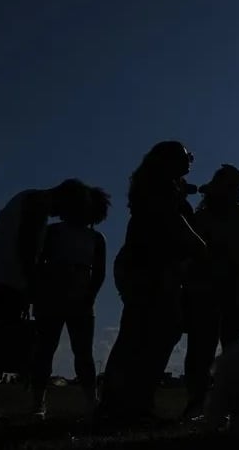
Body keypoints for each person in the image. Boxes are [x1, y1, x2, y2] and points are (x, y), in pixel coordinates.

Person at [99, 141, 206, 424]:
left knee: (144, 332)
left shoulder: (160, 186)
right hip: (149, 267)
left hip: (149, 266)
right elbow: (176, 224)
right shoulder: (161, 192)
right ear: (169, 160)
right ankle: (130, 402)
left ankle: (123, 401)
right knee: (149, 333)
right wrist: (201, 247)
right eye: (186, 157)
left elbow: (184, 195)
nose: (190, 161)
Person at [0, 179, 91, 425]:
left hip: (2, 279)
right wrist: (30, 288)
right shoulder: (37, 204)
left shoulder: (30, 201)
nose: (64, 215)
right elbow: (26, 249)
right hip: (4, 281)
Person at [181, 164, 239, 419]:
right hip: (206, 288)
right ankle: (197, 402)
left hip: (237, 288)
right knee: (201, 348)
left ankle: (224, 404)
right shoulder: (203, 218)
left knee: (230, 349)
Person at [30, 186, 110, 419]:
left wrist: (90, 296)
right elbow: (39, 263)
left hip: (81, 299)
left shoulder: (96, 238)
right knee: (45, 350)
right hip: (52, 296)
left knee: (82, 353)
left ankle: (91, 401)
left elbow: (99, 272)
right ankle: (38, 403)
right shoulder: (53, 232)